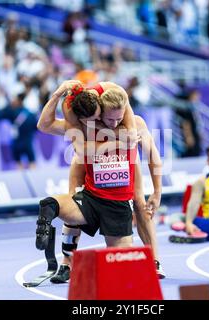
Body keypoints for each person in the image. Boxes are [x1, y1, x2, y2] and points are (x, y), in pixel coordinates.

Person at [36, 80, 165, 281]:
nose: (113, 123)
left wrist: (157, 191)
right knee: (73, 201)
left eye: (118, 119)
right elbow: (45, 125)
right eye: (107, 119)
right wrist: (58, 93)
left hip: (125, 165)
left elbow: (153, 156)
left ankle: (154, 260)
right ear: (100, 112)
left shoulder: (135, 123)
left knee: (140, 202)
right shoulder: (83, 122)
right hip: (84, 163)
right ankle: (67, 263)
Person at [0, 93, 38, 169]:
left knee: (18, 165)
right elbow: (37, 127)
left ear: (18, 101)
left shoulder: (12, 112)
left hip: (17, 143)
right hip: (28, 143)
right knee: (32, 163)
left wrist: (7, 106)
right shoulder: (30, 114)